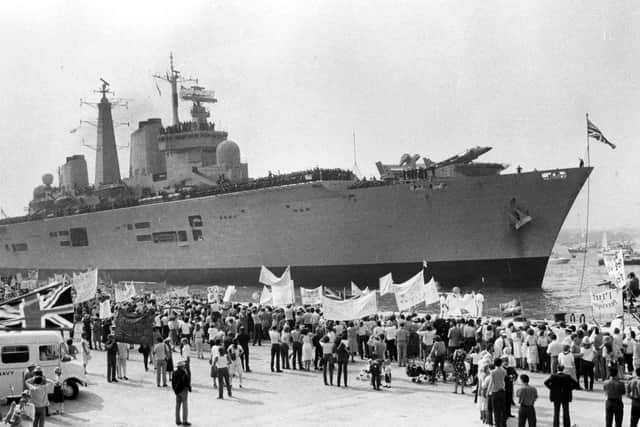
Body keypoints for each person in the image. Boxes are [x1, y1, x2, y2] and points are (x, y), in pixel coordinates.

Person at [487, 357, 507, 427]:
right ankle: (503, 424)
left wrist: (488, 391)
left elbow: (491, 382)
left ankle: (497, 424)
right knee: (502, 409)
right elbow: (503, 380)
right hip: (502, 390)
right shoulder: (504, 371)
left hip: (495, 391)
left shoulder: (493, 372)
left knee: (496, 410)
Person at [172, 360, 191, 426]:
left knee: (177, 406)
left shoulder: (174, 372)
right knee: (185, 406)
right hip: (183, 390)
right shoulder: (183, 372)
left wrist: (175, 390)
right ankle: (184, 421)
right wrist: (189, 388)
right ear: (181, 366)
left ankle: (177, 420)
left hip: (177, 391)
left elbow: (173, 383)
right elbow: (186, 381)